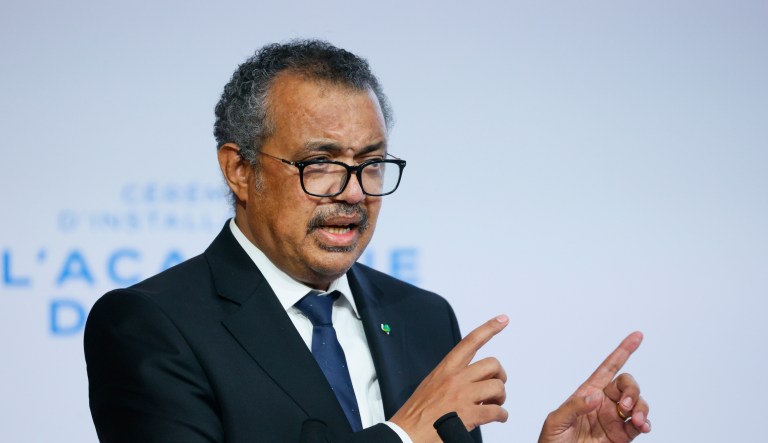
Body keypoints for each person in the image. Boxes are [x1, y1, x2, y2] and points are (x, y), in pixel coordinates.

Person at [84, 40, 651, 443]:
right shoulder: (151, 325)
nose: (354, 192)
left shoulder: (423, 317)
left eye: (371, 163)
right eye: (320, 162)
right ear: (240, 170)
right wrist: (401, 436)